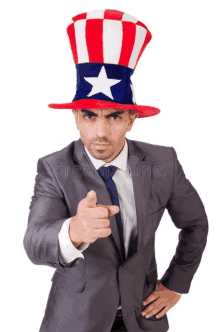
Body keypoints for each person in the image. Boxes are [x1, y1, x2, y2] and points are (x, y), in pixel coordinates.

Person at [23, 9, 208, 332]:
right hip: (76, 320)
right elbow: (35, 241)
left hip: (144, 317)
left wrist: (176, 284)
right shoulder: (54, 168)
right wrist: (75, 231)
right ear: (76, 118)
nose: (100, 133)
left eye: (113, 117)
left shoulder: (162, 163)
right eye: (90, 116)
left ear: (131, 119)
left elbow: (195, 224)